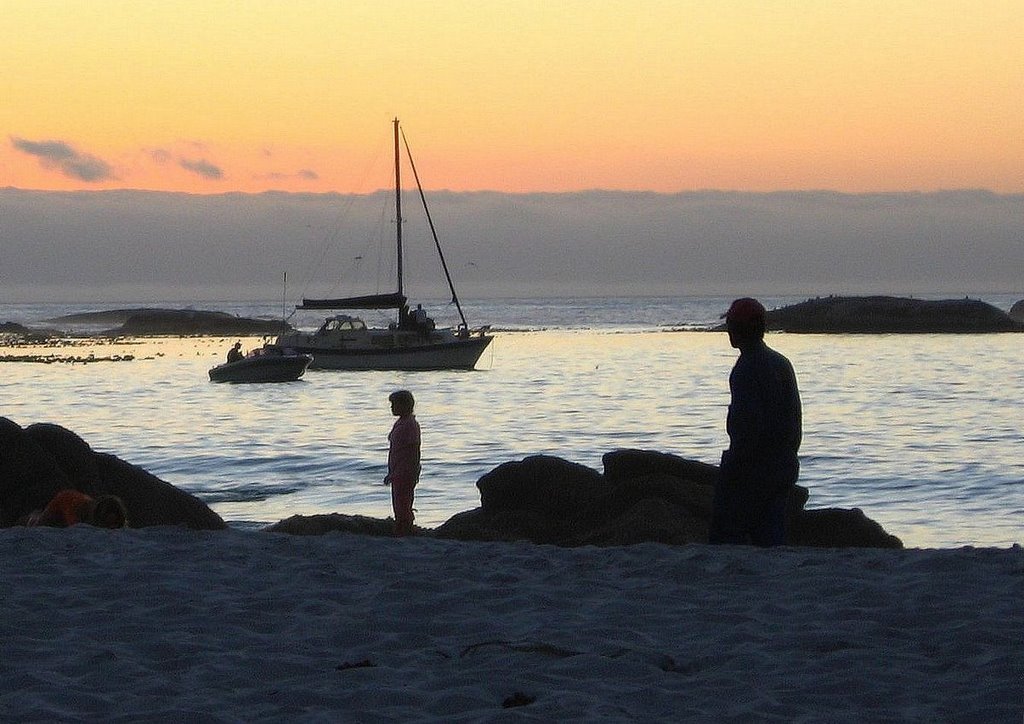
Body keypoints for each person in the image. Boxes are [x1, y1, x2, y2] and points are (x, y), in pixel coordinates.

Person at [709, 298, 802, 546]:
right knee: (772, 536)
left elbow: (749, 427)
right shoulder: (781, 363)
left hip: (757, 468)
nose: (728, 330)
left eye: (731, 324)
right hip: (784, 464)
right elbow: (794, 422)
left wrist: (733, 466)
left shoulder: (746, 369)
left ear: (741, 329)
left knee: (726, 532)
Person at [384, 390, 421, 536]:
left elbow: (414, 449)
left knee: (403, 501)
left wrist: (414, 469)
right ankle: (401, 526)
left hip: (405, 470)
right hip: (397, 469)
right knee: (398, 501)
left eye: (395, 404)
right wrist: (391, 472)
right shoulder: (400, 423)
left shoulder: (410, 424)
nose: (392, 408)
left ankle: (405, 527)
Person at [26, 489, 128, 528]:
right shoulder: (74, 506)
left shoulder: (111, 508)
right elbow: (74, 527)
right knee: (38, 523)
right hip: (63, 501)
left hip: (80, 501)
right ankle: (31, 516)